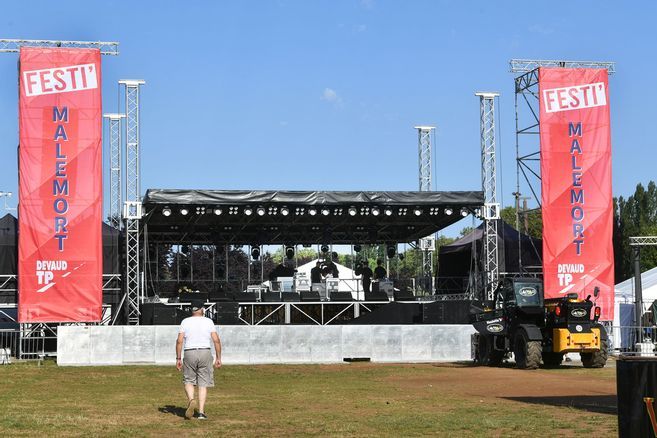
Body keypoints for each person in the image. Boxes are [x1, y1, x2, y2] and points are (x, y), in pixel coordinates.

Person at [176, 300, 222, 420]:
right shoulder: (208, 321)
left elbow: (179, 341)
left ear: (191, 310)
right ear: (202, 309)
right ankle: (201, 413)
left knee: (188, 380)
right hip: (205, 351)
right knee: (203, 383)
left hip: (189, 351)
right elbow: (216, 340)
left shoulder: (185, 322)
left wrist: (178, 358)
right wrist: (218, 357)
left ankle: (192, 400)